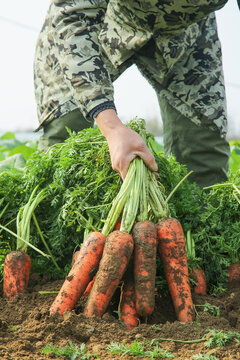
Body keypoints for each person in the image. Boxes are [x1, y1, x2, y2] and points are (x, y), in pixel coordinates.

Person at [34, 0, 231, 187]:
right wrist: (112, 129)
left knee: (203, 154)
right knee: (65, 140)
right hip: (96, 25)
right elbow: (73, 16)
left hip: (185, 30)